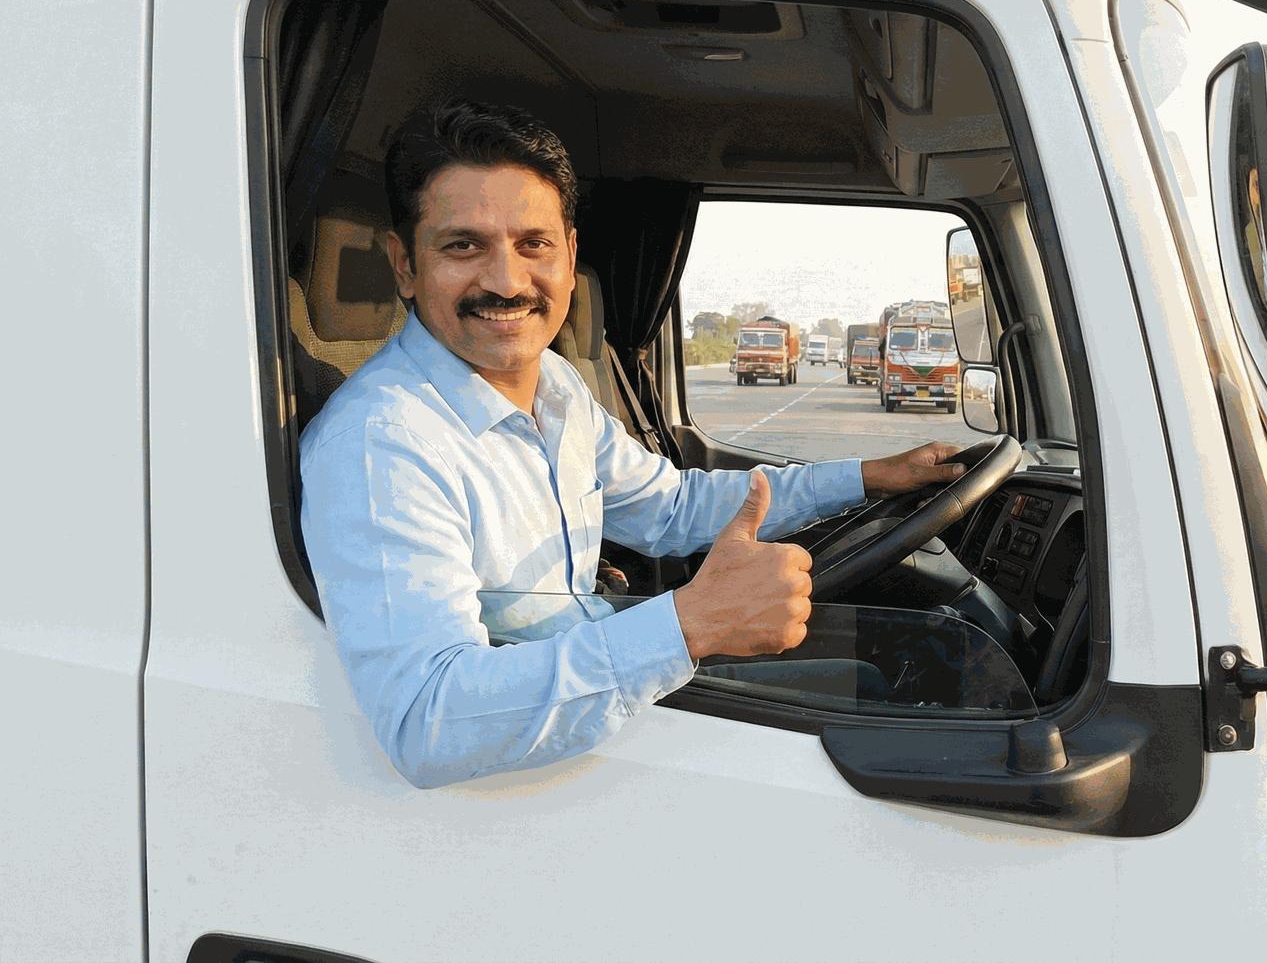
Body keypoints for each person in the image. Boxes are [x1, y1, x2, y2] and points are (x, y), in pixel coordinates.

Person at [300, 101, 964, 788]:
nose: (505, 281)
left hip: (597, 681)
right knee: (891, 686)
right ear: (404, 264)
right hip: (544, 757)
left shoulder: (553, 383)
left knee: (914, 648)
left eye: (533, 243)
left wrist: (867, 477)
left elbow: (671, 508)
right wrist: (689, 624)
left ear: (571, 254)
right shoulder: (381, 444)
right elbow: (428, 720)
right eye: (463, 246)